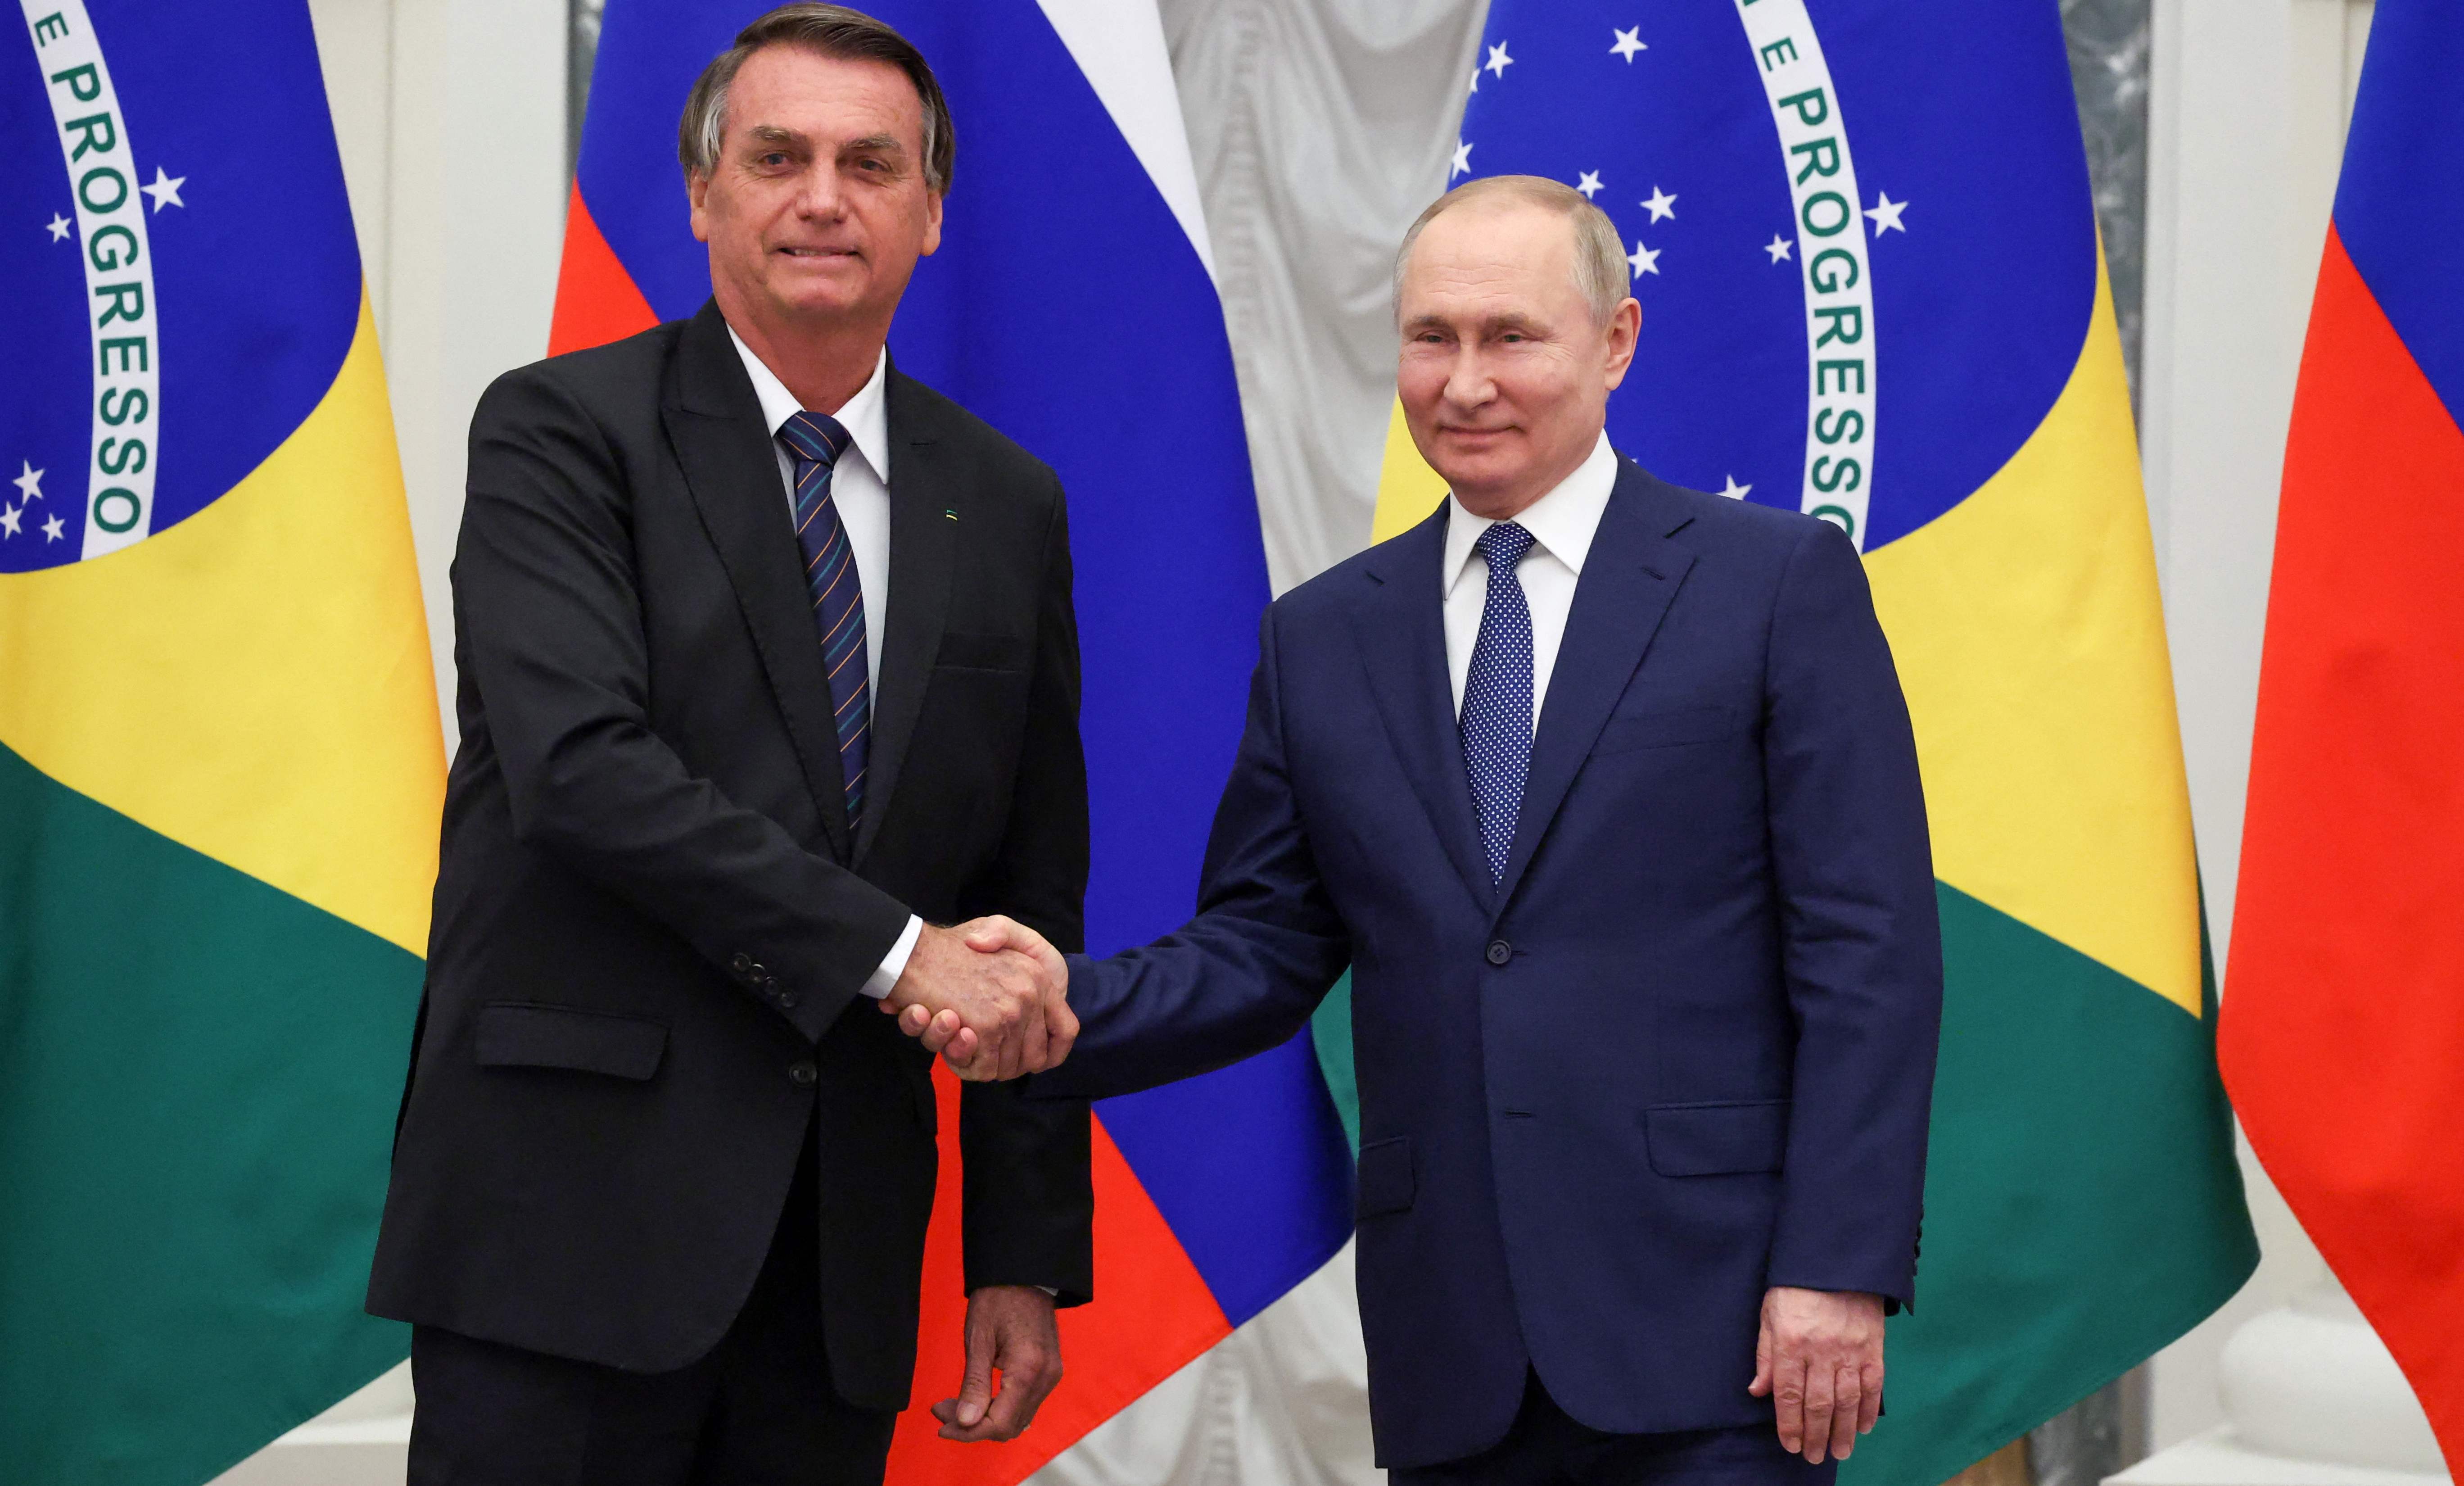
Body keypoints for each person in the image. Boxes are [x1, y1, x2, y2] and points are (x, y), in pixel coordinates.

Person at [935, 176, 1943, 1483]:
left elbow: (1866, 955)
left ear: (1616, 341)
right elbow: (1259, 946)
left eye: (1510, 337)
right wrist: (1050, 1002)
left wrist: (1836, 1265)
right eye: (1431, 338)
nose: (1463, 381)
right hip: (1453, 1351)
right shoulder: (1322, 634)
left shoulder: (1769, 584)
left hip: (1719, 1338)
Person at [369, 8, 1086, 1482]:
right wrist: (899, 953)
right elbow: (585, 774)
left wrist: (1017, 1246)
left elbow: (1030, 892)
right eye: (778, 156)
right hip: (565, 1242)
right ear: (703, 196)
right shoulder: (560, 435)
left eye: (870, 163)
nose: (823, 197)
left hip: (837, 1264)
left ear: (931, 211)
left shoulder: (1005, 500)